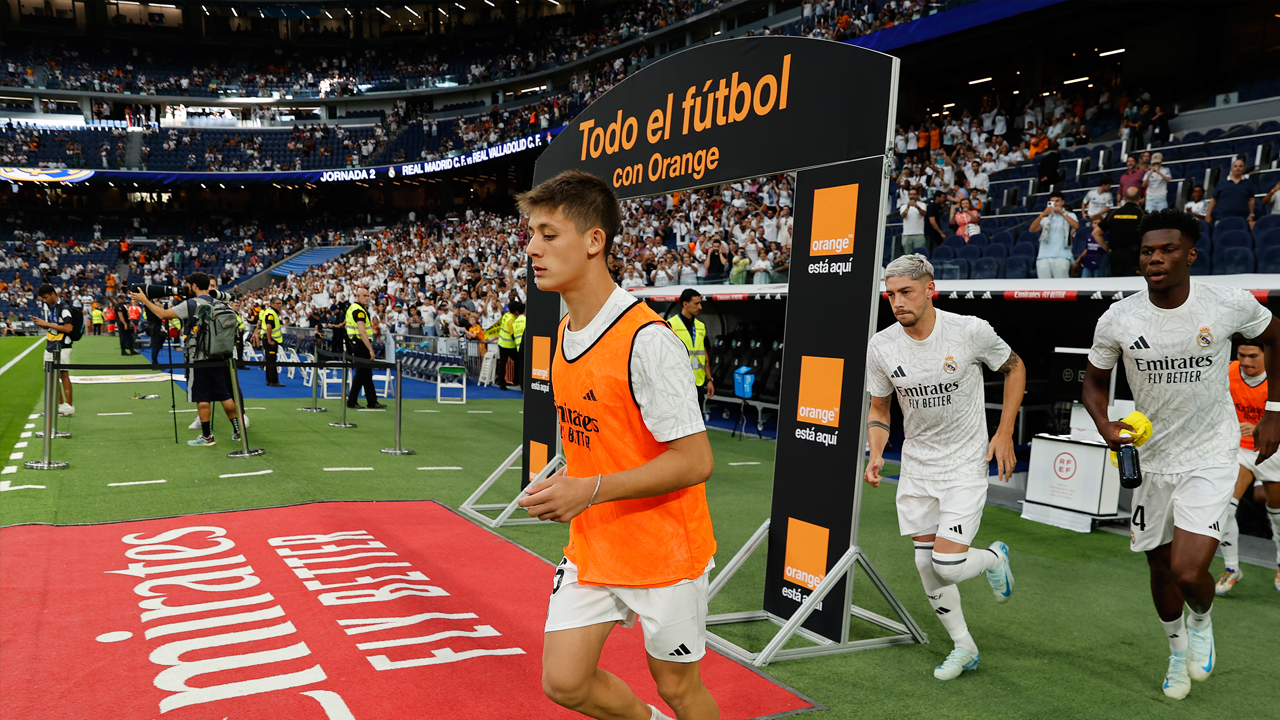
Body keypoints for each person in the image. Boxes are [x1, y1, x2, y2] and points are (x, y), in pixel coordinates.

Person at [516, 170, 718, 720]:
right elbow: (599, 439)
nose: (532, 248)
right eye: (531, 233)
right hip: (596, 543)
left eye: (548, 234)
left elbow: (696, 461)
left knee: (679, 689)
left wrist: (591, 488)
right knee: (564, 681)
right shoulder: (563, 331)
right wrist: (569, 482)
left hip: (665, 553)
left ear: (594, 240)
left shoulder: (648, 340)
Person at [1082, 208, 1279, 700]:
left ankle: (1202, 620)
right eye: (1148, 251)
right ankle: (1175, 653)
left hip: (1212, 454)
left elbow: (1276, 336)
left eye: (1168, 250)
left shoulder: (1226, 304)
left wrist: (1274, 409)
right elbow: (1093, 379)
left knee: (1189, 571)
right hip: (1151, 459)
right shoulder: (1120, 318)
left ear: (1190, 255)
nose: (1156, 258)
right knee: (1158, 567)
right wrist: (1106, 425)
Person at [865, 254, 1024, 681]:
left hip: (964, 462)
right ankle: (964, 647)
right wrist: (876, 449)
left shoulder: (969, 330)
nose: (897, 302)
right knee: (924, 564)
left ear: (930, 289)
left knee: (947, 564)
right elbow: (879, 407)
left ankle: (993, 558)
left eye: (906, 292)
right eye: (891, 294)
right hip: (917, 465)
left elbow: (1015, 367)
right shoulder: (881, 346)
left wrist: (1005, 431)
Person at [131, 273, 242, 447]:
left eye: (188, 285)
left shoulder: (192, 304)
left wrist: (144, 300)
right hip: (220, 356)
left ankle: (206, 436)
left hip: (199, 357)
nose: (186, 289)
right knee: (225, 395)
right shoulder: (220, 302)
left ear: (195, 286)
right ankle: (237, 431)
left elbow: (162, 314)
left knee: (202, 397)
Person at [1215, 339, 1280, 595]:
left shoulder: (1276, 377)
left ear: (1267, 355)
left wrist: (1261, 428)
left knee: (1276, 516)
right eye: (1241, 355)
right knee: (1224, 508)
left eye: (1252, 355)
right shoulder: (1228, 371)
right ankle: (1232, 568)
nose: (1245, 362)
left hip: (1271, 450)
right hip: (1239, 450)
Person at [32, 284, 75, 417]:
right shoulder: (53, 308)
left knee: (63, 374)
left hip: (63, 345)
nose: (44, 300)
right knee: (51, 376)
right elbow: (54, 327)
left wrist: (47, 324)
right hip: (52, 343)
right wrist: (44, 325)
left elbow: (68, 328)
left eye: (45, 297)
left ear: (53, 294)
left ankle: (69, 406)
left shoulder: (64, 308)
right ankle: (60, 406)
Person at [668, 289, 714, 411]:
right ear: (685, 304)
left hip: (698, 382)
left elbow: (704, 355)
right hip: (678, 383)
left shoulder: (701, 326)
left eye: (700, 303)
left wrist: (709, 380)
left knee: (698, 422)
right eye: (696, 303)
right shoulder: (670, 325)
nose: (700, 307)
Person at [345, 286, 386, 409]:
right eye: (364, 296)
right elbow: (362, 332)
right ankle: (352, 400)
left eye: (368, 296)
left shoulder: (352, 308)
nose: (367, 298)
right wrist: (370, 349)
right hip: (361, 344)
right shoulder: (359, 311)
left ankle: (372, 401)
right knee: (361, 373)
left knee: (366, 374)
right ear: (357, 296)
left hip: (356, 343)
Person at [1095, 187, 1146, 277]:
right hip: (1135, 255)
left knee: (1116, 284)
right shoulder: (1142, 214)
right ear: (1139, 198)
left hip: (1115, 255)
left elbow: (1096, 233)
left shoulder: (1113, 213)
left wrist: (1107, 249)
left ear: (1124, 198)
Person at [1030, 190, 1079, 278]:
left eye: (1057, 201)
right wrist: (1042, 215)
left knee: (1061, 288)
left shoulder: (1070, 215)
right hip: (1043, 256)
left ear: (1062, 202)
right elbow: (1032, 230)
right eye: (1052, 202)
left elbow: (1076, 225)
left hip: (1062, 256)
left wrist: (1062, 213)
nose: (1055, 204)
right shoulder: (1046, 218)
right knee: (1044, 288)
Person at [1205, 159, 1257, 230]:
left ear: (1244, 168)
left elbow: (1251, 200)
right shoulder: (1222, 182)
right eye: (1235, 166)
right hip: (1221, 218)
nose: (1238, 168)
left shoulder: (1248, 183)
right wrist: (1208, 215)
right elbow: (1214, 199)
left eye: (1240, 166)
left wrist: (1251, 214)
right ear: (1231, 169)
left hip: (1241, 219)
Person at [256, 298, 284, 387]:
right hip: (270, 340)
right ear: (272, 304)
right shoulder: (271, 313)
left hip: (268, 339)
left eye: (280, 303)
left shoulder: (270, 312)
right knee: (272, 361)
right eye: (278, 303)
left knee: (269, 360)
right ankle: (273, 381)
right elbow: (269, 327)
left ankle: (269, 380)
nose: (280, 305)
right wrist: (269, 340)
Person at [496, 300, 519, 391]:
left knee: (502, 364)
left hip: (501, 343)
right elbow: (512, 333)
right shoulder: (511, 319)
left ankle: (501, 382)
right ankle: (515, 380)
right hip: (509, 345)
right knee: (517, 362)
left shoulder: (506, 315)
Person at [899, 186, 928, 256]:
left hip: (919, 234)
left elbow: (924, 214)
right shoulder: (903, 206)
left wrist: (917, 206)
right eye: (911, 194)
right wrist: (908, 207)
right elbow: (903, 216)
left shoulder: (922, 204)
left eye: (914, 194)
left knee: (919, 256)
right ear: (908, 195)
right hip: (906, 234)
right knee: (907, 256)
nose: (912, 196)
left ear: (917, 195)